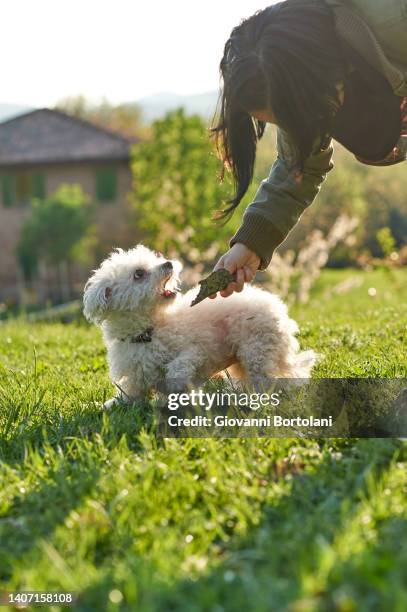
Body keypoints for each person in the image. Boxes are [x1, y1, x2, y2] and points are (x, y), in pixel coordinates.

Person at [209, 0, 407, 299]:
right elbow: (298, 165)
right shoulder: (297, 73)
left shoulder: (393, 19)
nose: (296, 129)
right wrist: (249, 244)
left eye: (293, 118)